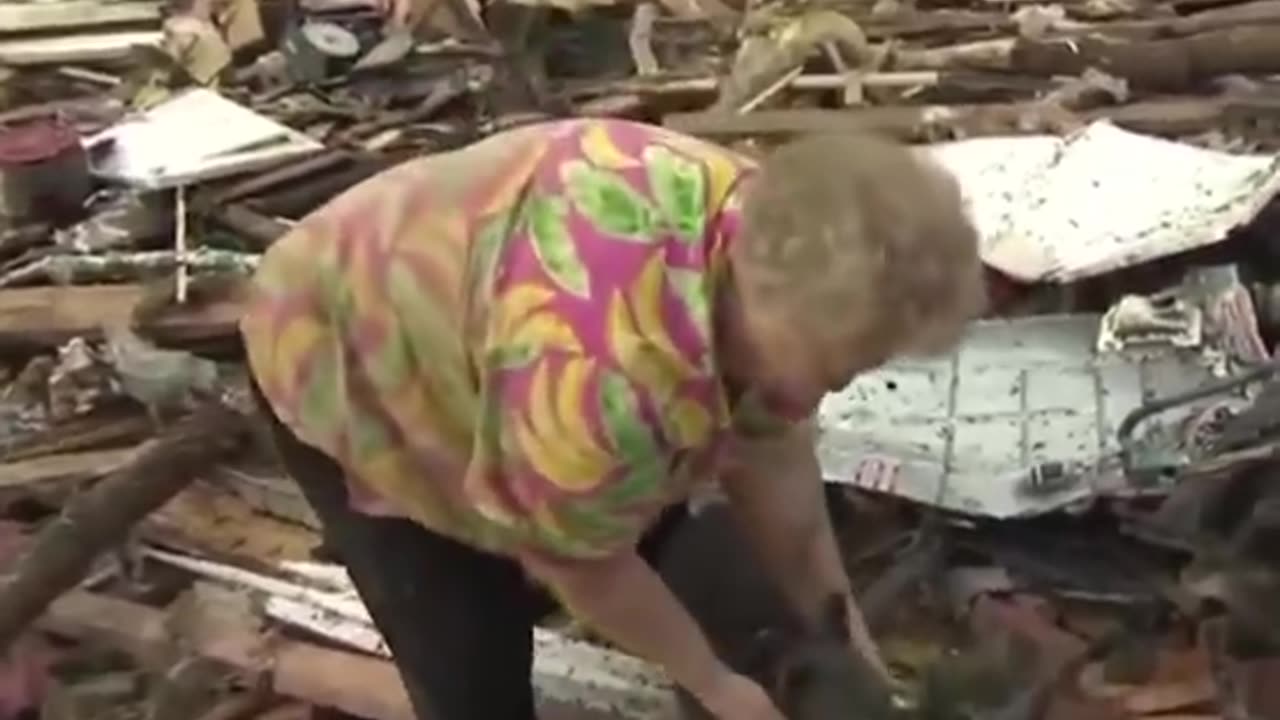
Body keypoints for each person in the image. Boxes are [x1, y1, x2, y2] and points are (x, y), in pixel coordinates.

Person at [240, 117, 985, 720]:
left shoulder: (779, 234)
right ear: (769, 306)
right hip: (344, 342)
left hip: (489, 303)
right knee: (470, 647)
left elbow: (780, 477)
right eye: (835, 362)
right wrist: (718, 688)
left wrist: (851, 646)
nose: (846, 379)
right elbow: (576, 559)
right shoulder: (604, 385)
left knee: (642, 524)